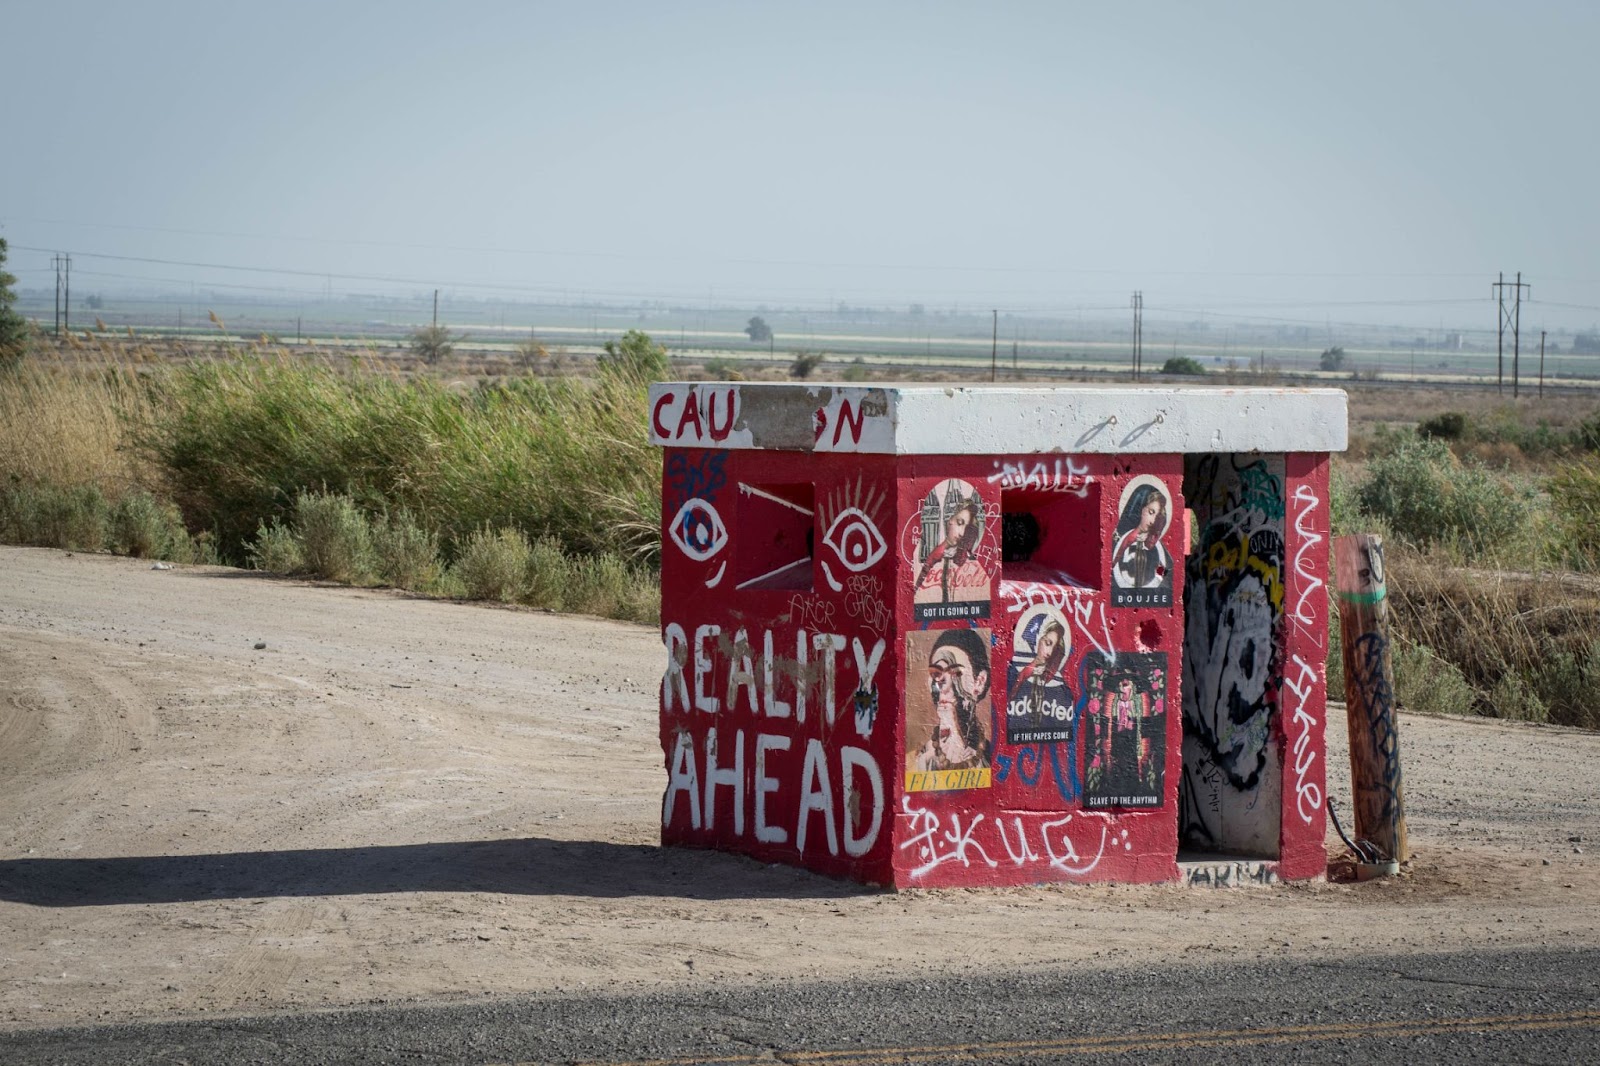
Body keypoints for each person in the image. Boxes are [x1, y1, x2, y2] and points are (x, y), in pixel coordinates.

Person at [910, 628, 992, 772]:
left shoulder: (992, 757)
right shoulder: (917, 762)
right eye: (936, 673)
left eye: (956, 673)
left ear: (979, 682)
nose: (943, 684)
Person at [914, 493, 988, 603]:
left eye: (966, 527)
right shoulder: (937, 555)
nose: (962, 533)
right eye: (959, 523)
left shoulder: (960, 555)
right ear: (950, 520)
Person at [1011, 617, 1068, 731]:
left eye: (1054, 648)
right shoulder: (1017, 673)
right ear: (1038, 639)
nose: (1050, 652)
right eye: (1047, 643)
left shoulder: (1057, 681)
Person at [1112, 483, 1171, 589]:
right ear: (1142, 510)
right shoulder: (1129, 539)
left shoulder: (1153, 545)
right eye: (1151, 512)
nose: (1152, 521)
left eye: (1157, 516)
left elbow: (1164, 574)